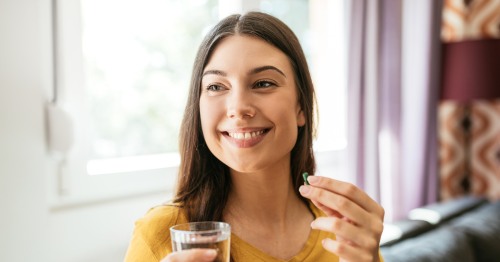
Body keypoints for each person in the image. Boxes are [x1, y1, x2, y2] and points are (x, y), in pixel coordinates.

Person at [125, 11, 384, 262]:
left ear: (301, 107)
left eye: (263, 83)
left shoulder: (344, 230)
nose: (238, 108)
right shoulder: (161, 235)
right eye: (216, 86)